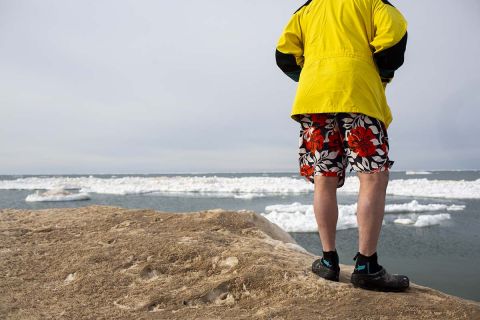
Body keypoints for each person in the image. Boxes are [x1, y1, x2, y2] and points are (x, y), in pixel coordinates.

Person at [275, 0, 409, 292]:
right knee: (373, 177)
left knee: (324, 177)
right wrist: (379, 74)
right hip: (357, 92)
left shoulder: (306, 10)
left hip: (314, 99)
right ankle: (366, 267)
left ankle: (327, 262)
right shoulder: (373, 2)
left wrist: (313, 73)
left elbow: (284, 55)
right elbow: (393, 44)